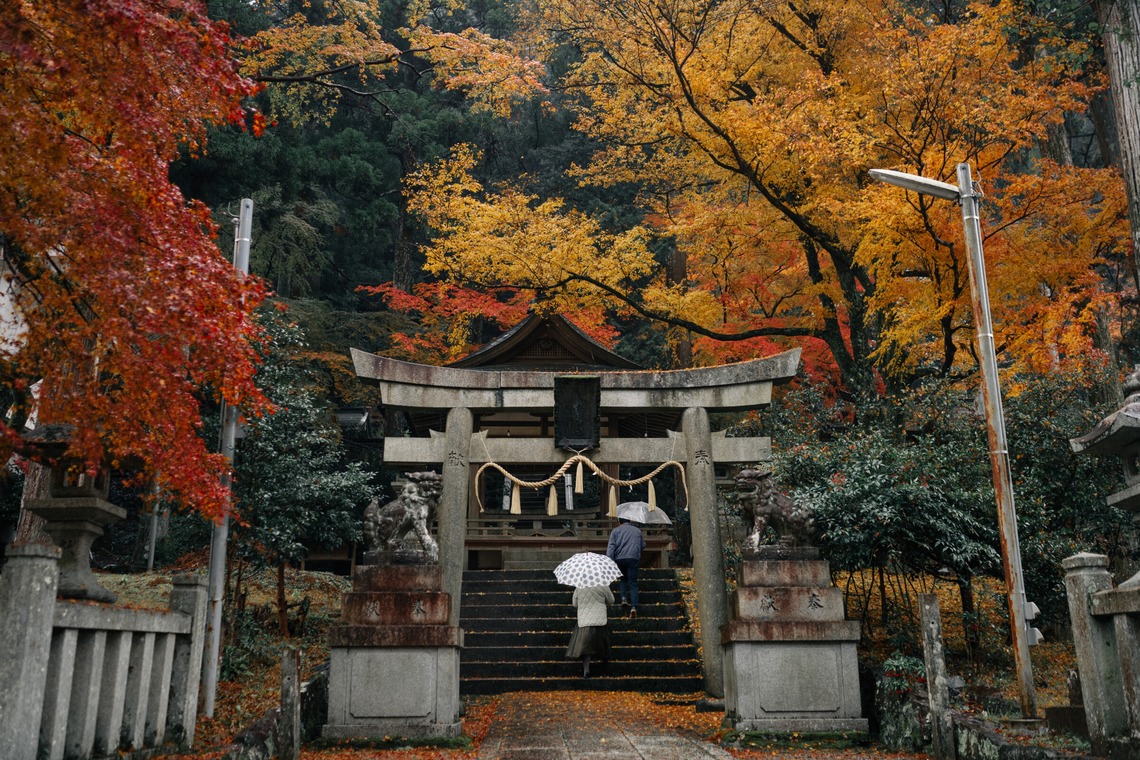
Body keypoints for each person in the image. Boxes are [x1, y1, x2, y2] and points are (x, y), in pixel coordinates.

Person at [565, 583, 614, 678]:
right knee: (602, 642)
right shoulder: (603, 584)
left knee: (586, 647)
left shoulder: (579, 586)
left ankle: (586, 671)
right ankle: (605, 663)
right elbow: (611, 600)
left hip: (584, 621)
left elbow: (575, 604)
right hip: (599, 620)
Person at [607, 517, 645, 617]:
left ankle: (623, 598)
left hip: (620, 558)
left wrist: (609, 560)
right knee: (633, 582)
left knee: (623, 579)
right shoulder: (637, 531)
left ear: (619, 522)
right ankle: (634, 607)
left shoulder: (615, 531)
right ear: (629, 521)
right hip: (633, 558)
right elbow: (643, 545)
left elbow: (611, 547)